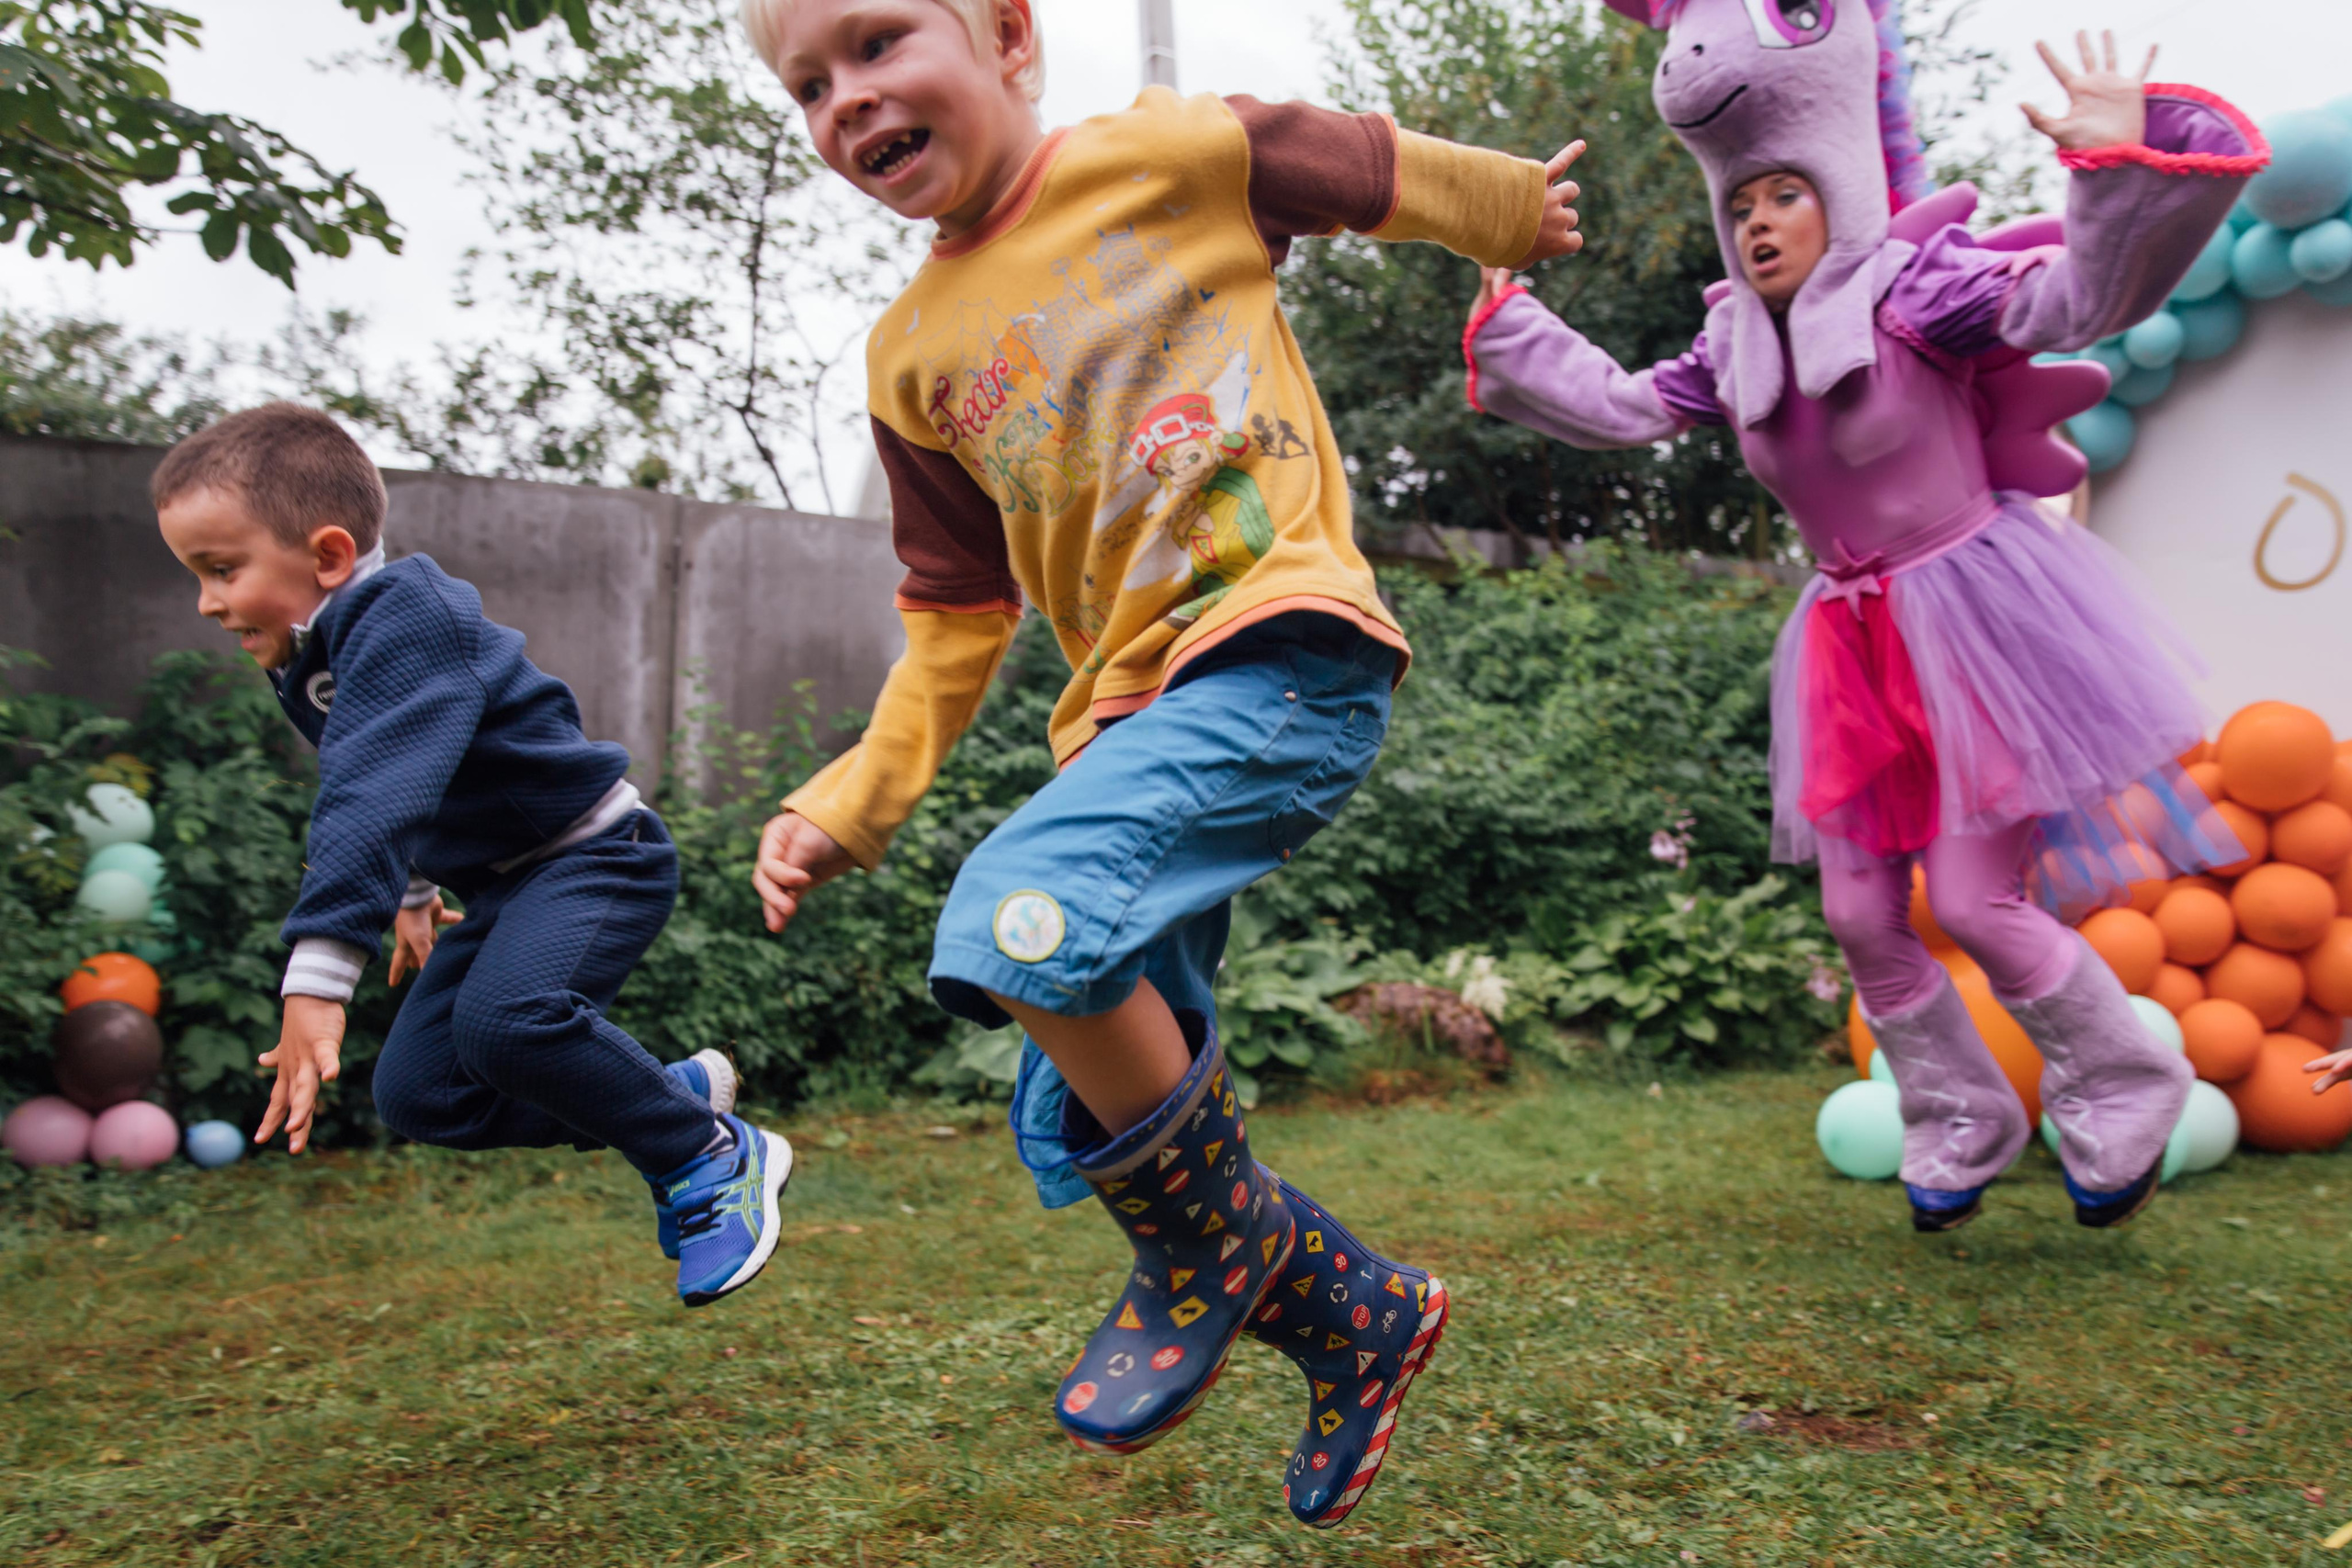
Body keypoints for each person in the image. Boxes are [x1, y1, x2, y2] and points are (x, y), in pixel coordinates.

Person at [739, 0, 1582, 1528]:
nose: (846, 99)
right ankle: (1355, 1317)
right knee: (1101, 1105)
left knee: (1022, 921)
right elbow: (949, 617)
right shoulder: (909, 359)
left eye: (874, 45)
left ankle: (1207, 1254)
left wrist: (1515, 207)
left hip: (1281, 646)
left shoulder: (1165, 156)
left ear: (1005, 36)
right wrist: (846, 800)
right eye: (808, 86)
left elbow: (1355, 163)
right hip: (1129, 724)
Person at [1464, 1, 2270, 1234]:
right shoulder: (1734, 345)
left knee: (1974, 898)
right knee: (1853, 911)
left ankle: (2125, 1079)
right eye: (1739, 207)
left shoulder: (1915, 295)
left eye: (1780, 197)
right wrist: (1511, 320)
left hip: (1977, 616)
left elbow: (2072, 300)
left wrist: (2113, 167)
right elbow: (1621, 405)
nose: (1756, 223)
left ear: (1833, 190)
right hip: (1850, 638)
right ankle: (1961, 1109)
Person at [151, 402, 793, 1308]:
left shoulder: (400, 614)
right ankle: (661, 1096)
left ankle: (705, 1155)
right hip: (505, 889)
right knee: (422, 1095)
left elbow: (372, 793)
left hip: (596, 856)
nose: (209, 603)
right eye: (197, 577)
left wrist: (318, 976)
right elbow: (402, 770)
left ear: (328, 556)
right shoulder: (320, 651)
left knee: (509, 1021)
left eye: (222, 571)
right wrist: (413, 891)